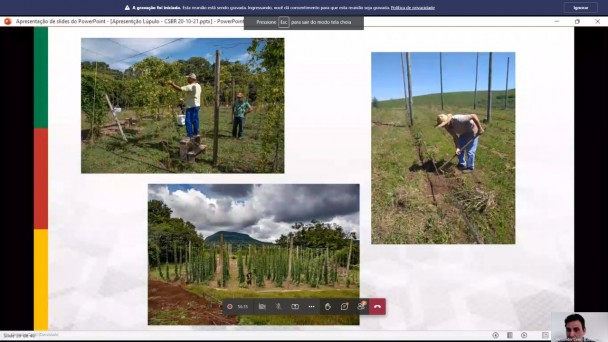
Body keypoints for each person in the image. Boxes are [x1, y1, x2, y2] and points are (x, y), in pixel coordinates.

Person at [167, 73, 201, 139]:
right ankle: (196, 133)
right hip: (197, 105)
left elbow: (180, 89)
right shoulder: (198, 86)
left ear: (192, 79)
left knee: (188, 121)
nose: (187, 79)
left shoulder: (190, 86)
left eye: (188, 78)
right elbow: (193, 96)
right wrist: (184, 101)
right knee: (195, 120)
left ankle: (190, 136)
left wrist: (172, 84)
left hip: (191, 106)